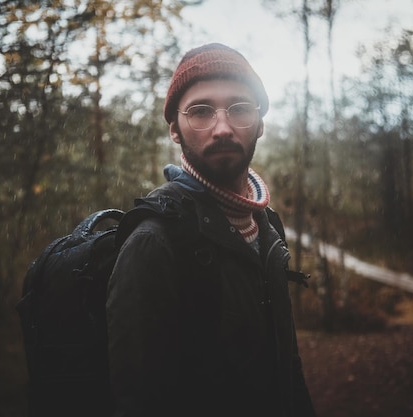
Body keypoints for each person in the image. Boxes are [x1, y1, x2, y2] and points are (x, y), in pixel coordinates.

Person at [106, 43, 316, 417]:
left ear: (260, 123)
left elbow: (287, 366)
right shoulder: (153, 243)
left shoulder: (267, 227)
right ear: (175, 129)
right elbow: (138, 399)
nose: (222, 128)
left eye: (239, 109)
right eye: (201, 111)